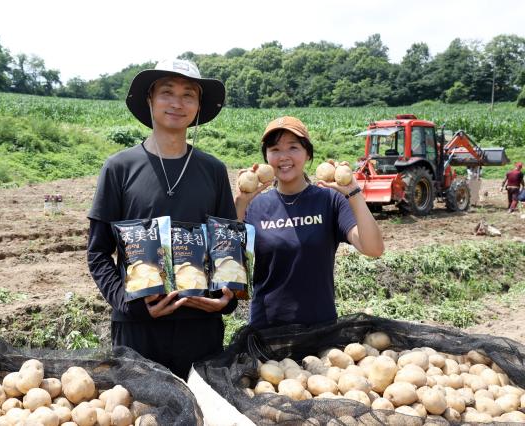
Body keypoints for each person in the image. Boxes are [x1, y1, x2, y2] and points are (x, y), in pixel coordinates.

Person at [86, 59, 237, 379]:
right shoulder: (119, 168)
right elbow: (98, 253)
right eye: (167, 92)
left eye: (188, 95)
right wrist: (128, 303)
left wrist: (226, 300)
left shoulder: (213, 170)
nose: (177, 103)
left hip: (201, 327)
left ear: (198, 106)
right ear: (150, 100)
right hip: (138, 327)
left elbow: (227, 246)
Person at [234, 116, 384, 329]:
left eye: (293, 147)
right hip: (267, 329)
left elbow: (373, 248)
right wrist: (239, 204)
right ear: (266, 157)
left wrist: (354, 194)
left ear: (307, 154)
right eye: (275, 149)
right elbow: (230, 264)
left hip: (320, 328)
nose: (284, 157)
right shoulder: (255, 206)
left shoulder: (330, 201)